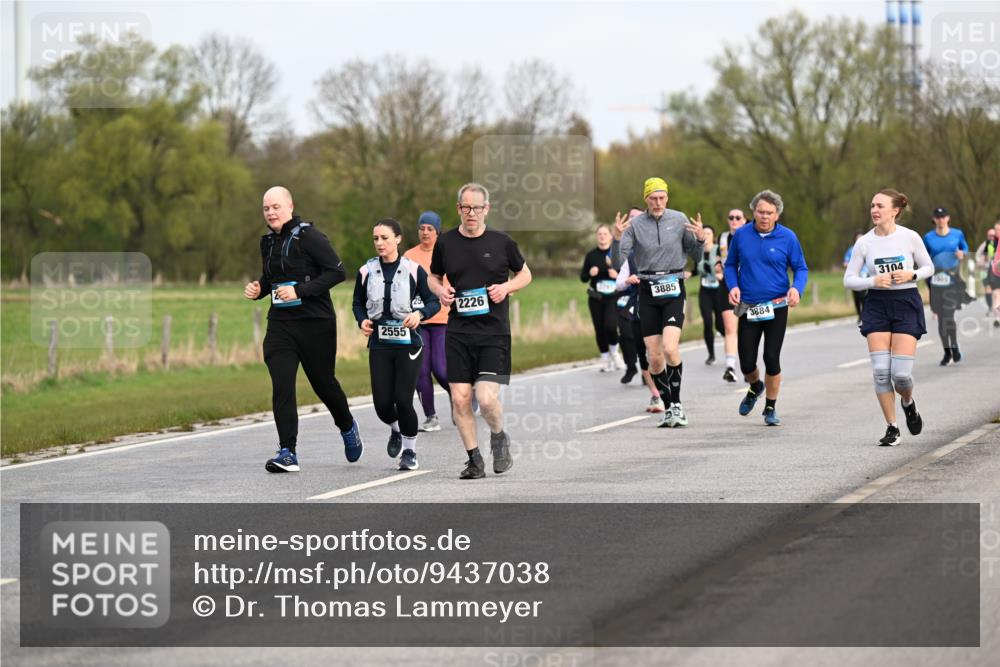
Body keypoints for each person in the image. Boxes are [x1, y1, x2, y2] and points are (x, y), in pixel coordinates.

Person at [244, 186, 363, 472]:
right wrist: (260, 288)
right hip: (281, 326)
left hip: (315, 324)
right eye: (266, 208)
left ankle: (347, 425)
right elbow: (272, 277)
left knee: (324, 384)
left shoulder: (310, 236)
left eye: (275, 207)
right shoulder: (268, 242)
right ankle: (288, 451)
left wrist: (301, 292)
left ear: (289, 206)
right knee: (282, 385)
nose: (270, 212)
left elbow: (337, 272)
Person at [429, 183, 532, 479]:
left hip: (494, 333)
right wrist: (440, 291)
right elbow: (433, 276)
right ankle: (474, 459)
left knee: (485, 399)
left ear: (486, 209)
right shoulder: (446, 242)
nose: (471, 213)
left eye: (476, 207)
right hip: (458, 332)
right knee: (460, 398)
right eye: (465, 207)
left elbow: (525, 274)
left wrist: (507, 287)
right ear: (458, 209)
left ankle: (499, 436)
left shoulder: (502, 242)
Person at [844, 189, 934, 446]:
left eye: (880, 206)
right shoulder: (865, 243)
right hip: (877, 304)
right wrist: (872, 280)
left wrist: (911, 275)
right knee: (881, 372)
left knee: (901, 375)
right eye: (872, 205)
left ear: (894, 211)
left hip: (906, 301)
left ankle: (908, 402)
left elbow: (929, 267)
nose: (874, 210)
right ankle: (892, 427)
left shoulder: (910, 237)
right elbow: (849, 279)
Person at [353, 218, 440, 471]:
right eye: (376, 239)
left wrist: (420, 315)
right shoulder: (366, 271)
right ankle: (395, 430)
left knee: (403, 400)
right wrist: (362, 321)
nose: (379, 243)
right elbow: (358, 303)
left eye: (385, 238)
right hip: (380, 344)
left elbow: (433, 302)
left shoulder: (413, 270)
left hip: (409, 345)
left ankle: (410, 452)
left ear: (398, 239)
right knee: (382, 405)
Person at [619, 177, 707, 427]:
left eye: (662, 197)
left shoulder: (679, 219)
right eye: (653, 198)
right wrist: (617, 239)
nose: (658, 202)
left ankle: (677, 404)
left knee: (670, 348)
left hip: (673, 287)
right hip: (647, 290)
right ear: (645, 198)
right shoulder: (636, 224)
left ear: (667, 198)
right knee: (654, 357)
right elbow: (619, 262)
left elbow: (697, 256)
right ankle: (668, 406)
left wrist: (700, 240)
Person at [724, 190, 808, 426]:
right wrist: (733, 286)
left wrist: (796, 289)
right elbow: (730, 265)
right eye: (760, 212)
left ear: (777, 215)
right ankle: (755, 387)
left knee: (771, 357)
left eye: (769, 213)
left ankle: (770, 407)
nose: (764, 217)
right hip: (749, 306)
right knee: (747, 362)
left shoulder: (788, 237)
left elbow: (801, 268)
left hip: (777, 305)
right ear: (753, 212)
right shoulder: (741, 236)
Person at [404, 212, 450, 432]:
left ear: (437, 231)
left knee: (441, 369)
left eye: (430, 229)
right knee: (421, 370)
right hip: (418, 320)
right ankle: (430, 417)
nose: (425, 232)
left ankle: (460, 396)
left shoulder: (447, 253)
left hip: (443, 319)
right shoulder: (409, 256)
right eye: (421, 228)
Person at [615, 250, 667, 413]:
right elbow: (618, 284)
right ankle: (655, 394)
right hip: (637, 311)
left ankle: (664, 393)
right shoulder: (631, 258)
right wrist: (627, 280)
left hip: (658, 309)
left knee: (656, 353)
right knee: (643, 356)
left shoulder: (661, 253)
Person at [923, 207, 970, 365]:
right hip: (935, 282)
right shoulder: (928, 237)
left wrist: (962, 253)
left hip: (952, 281)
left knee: (948, 317)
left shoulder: (957, 234)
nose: (941, 220)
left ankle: (955, 346)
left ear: (948, 218)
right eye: (938, 217)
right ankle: (947, 352)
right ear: (934, 219)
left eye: (943, 217)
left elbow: (965, 248)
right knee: (941, 319)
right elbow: (924, 257)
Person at [580, 225, 623, 372]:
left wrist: (616, 275)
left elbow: (626, 274)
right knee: (599, 329)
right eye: (600, 234)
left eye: (605, 233)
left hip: (613, 296)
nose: (602, 236)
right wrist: (591, 273)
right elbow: (583, 278)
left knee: (610, 326)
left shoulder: (616, 254)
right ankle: (605, 359)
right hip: (596, 298)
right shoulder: (591, 256)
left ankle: (615, 353)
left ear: (611, 236)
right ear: (597, 236)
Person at [693, 225, 728, 366]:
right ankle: (711, 355)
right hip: (705, 291)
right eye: (704, 233)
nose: (706, 235)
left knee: (720, 324)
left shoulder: (719, 249)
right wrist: (688, 274)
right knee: (707, 322)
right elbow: (696, 270)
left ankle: (732, 345)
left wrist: (722, 274)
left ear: (713, 236)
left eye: (709, 233)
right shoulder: (698, 251)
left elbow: (727, 266)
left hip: (719, 291)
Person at [716, 209, 745, 382]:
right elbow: (718, 257)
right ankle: (730, 367)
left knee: (746, 329)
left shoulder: (750, 236)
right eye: (731, 217)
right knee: (729, 328)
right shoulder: (722, 237)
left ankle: (749, 367)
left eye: (738, 217)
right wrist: (717, 265)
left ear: (744, 220)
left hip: (747, 288)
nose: (734, 220)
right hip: (727, 286)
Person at [843, 232, 869, 324]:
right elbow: (845, 262)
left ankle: (864, 314)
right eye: (858, 239)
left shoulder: (868, 249)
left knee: (864, 296)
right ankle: (860, 314)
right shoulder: (851, 250)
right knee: (857, 297)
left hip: (865, 275)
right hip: (855, 276)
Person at [975, 226, 998, 325]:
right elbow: (977, 255)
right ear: (987, 236)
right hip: (984, 270)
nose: (991, 237)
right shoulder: (985, 244)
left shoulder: (998, 244)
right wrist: (980, 262)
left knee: (996, 293)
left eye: (993, 235)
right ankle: (990, 308)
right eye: (990, 235)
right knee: (987, 289)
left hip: (995, 271)